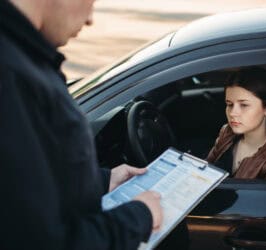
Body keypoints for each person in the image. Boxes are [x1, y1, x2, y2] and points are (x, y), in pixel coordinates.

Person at [0, 0, 162, 249]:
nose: (90, 19)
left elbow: (36, 179)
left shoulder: (23, 59)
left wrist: (104, 180)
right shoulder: (11, 75)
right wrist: (139, 217)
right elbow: (38, 241)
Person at [207, 67, 266, 181]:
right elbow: (205, 171)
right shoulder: (227, 132)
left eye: (244, 105)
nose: (233, 113)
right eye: (229, 104)